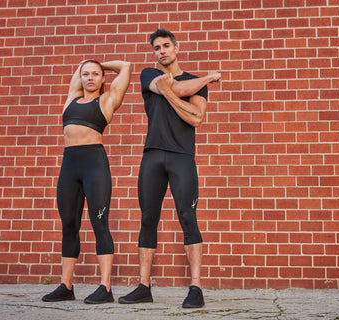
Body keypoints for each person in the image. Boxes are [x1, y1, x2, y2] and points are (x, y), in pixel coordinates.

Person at [118, 29, 221, 308]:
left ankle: (196, 288)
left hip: (182, 158)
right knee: (148, 219)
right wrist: (208, 77)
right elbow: (178, 91)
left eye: (166, 46)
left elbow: (197, 119)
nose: (161, 51)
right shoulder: (148, 75)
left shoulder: (195, 82)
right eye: (157, 48)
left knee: (188, 217)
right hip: (152, 156)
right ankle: (143, 286)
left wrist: (173, 94)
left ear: (177, 48)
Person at [42, 59, 131, 304]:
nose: (90, 77)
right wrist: (85, 63)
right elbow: (79, 69)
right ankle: (66, 286)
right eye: (86, 74)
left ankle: (105, 287)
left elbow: (126, 66)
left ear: (103, 79)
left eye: (95, 74)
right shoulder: (71, 98)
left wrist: (100, 63)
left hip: (94, 165)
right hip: (69, 165)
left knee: (99, 223)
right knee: (69, 225)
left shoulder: (107, 100)